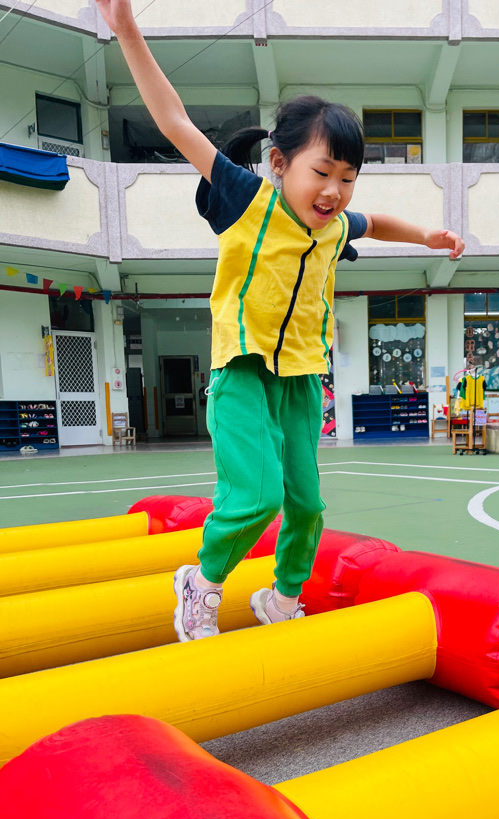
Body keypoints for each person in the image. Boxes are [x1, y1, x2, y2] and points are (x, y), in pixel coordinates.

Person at [96, 0, 464, 641]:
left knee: (308, 503)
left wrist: (427, 236)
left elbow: (375, 223)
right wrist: (127, 29)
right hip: (241, 371)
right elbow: (175, 122)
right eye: (322, 172)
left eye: (347, 178)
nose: (334, 191)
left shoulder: (334, 227)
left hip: (299, 377)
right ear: (279, 163)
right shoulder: (247, 200)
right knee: (257, 496)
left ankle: (281, 596)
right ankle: (202, 582)